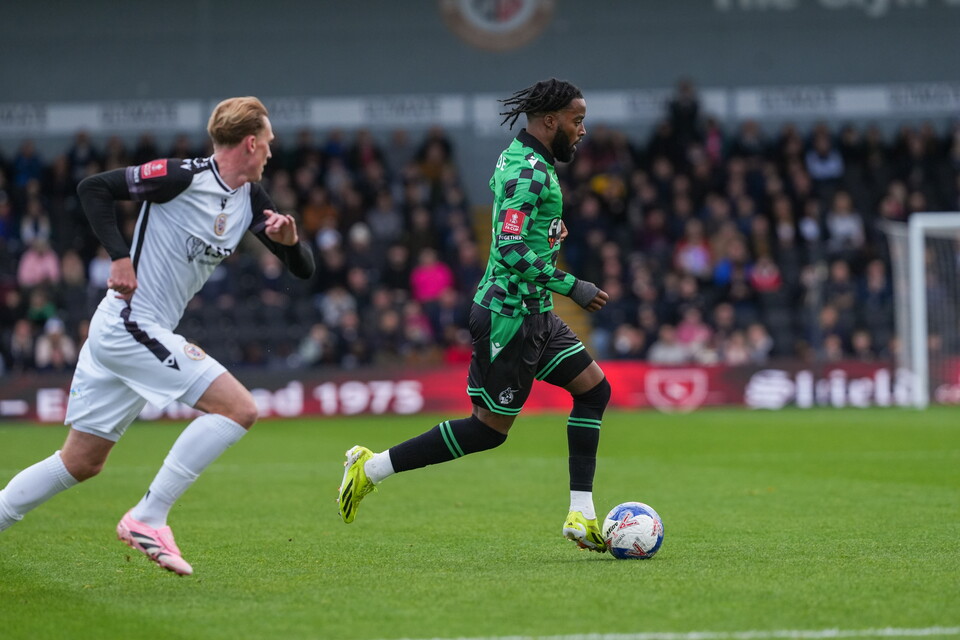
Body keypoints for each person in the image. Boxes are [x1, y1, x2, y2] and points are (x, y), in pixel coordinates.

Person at [0, 97, 315, 575]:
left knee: (80, 462)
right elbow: (93, 188)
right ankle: (148, 517)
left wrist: (291, 247)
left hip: (134, 331)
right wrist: (119, 256)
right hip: (129, 324)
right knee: (240, 408)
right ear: (250, 142)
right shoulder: (180, 176)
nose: (271, 152)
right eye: (268, 142)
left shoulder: (251, 197)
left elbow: (303, 270)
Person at [337, 79, 612, 553]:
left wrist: (548, 233)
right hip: (509, 319)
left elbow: (516, 225)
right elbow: (507, 249)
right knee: (487, 431)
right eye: (577, 120)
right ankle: (372, 467)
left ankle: (580, 514)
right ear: (551, 121)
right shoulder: (529, 169)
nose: (583, 130)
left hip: (536, 315)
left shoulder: (526, 159)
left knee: (594, 390)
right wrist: (574, 286)